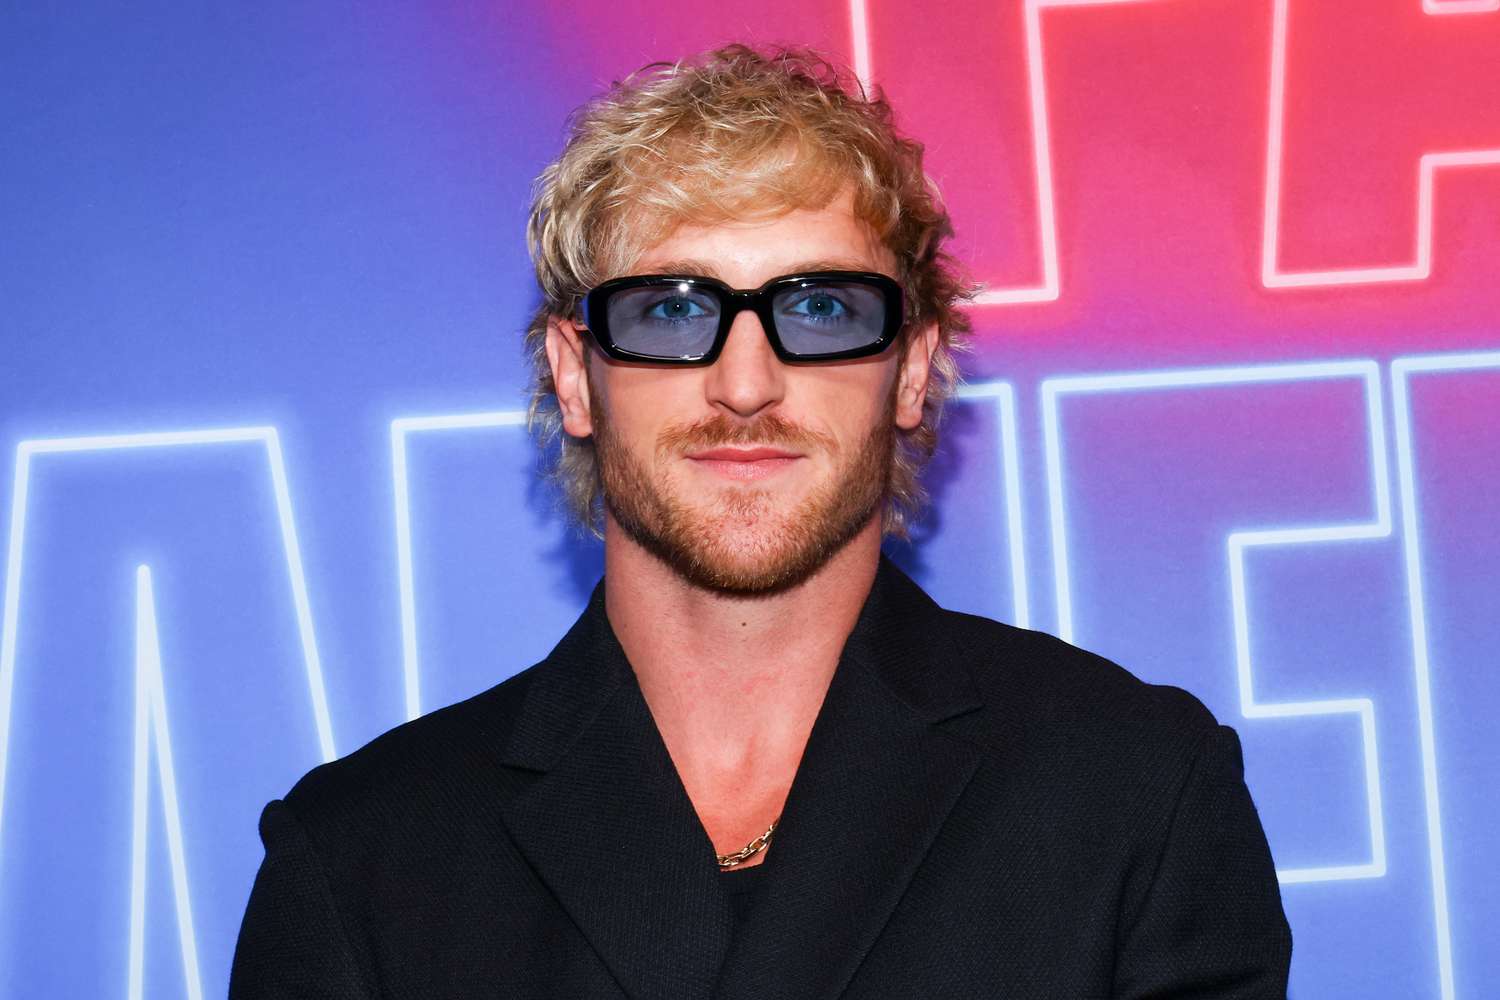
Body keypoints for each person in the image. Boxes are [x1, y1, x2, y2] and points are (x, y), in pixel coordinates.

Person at [229, 44, 1292, 999]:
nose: (745, 384)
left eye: (820, 309)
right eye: (672, 310)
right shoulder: (363, 863)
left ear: (911, 370)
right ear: (576, 375)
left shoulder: (1133, 798)